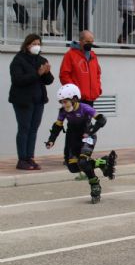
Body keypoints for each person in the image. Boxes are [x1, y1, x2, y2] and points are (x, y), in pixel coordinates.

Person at [45, 84, 115, 204]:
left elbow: (102, 119)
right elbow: (57, 126)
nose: (63, 105)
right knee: (72, 167)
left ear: (75, 99)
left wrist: (90, 132)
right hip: (73, 138)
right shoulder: (63, 111)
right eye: (61, 102)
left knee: (83, 162)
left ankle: (94, 184)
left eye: (65, 101)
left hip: (87, 136)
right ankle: (103, 162)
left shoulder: (85, 108)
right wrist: (51, 140)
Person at [9, 34, 54, 170]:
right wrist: (37, 74)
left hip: (38, 101)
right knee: (24, 128)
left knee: (33, 129)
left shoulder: (41, 59)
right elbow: (18, 80)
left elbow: (49, 81)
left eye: (38, 43)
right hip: (23, 101)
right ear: (27, 45)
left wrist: (46, 72)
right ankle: (22, 159)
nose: (36, 46)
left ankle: (30, 158)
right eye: (34, 43)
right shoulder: (18, 60)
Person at [59, 30, 102, 107]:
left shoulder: (93, 55)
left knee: (87, 119)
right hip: (76, 98)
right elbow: (64, 75)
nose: (90, 44)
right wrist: (73, 91)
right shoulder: (70, 55)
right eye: (87, 41)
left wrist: (97, 89)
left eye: (92, 42)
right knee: (76, 119)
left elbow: (97, 74)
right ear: (80, 41)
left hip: (90, 98)